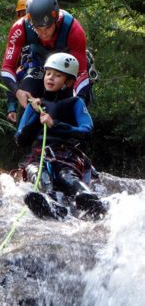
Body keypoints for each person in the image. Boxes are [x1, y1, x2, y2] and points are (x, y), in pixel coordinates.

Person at [14, 53, 106, 220]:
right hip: (38, 156)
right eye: (48, 73)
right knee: (38, 174)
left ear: (69, 82)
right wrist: (35, 116)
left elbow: (86, 130)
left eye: (57, 75)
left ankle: (85, 197)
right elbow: (20, 139)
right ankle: (49, 201)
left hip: (66, 156)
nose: (50, 78)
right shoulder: (35, 105)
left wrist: (55, 124)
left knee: (66, 176)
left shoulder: (75, 103)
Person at [1, 0, 92, 119]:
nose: (44, 33)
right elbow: (7, 68)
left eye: (48, 27)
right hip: (37, 65)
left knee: (69, 106)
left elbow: (81, 72)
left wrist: (79, 100)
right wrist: (17, 92)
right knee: (27, 99)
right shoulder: (20, 28)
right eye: (38, 28)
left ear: (55, 18)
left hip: (65, 68)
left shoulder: (73, 29)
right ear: (30, 21)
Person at [7, 0, 31, 123]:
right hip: (24, 99)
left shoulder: (47, 39)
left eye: (29, 14)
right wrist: (11, 107)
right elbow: (11, 75)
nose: (26, 18)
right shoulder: (16, 43)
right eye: (22, 14)